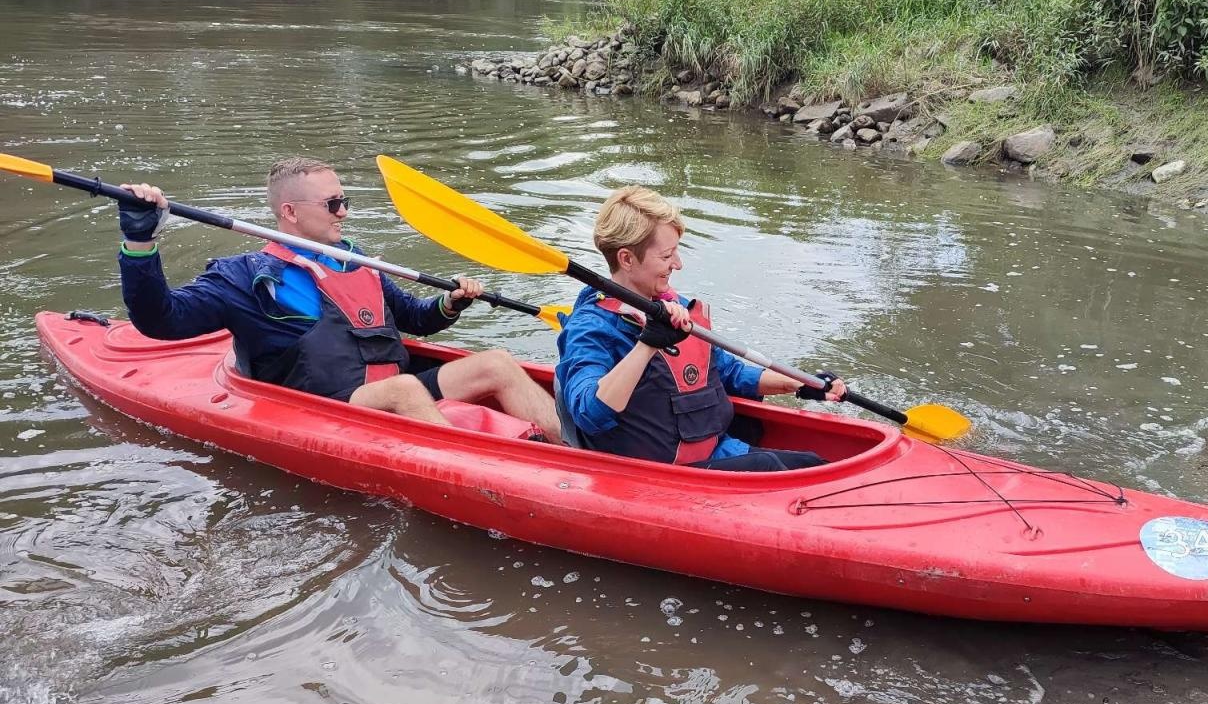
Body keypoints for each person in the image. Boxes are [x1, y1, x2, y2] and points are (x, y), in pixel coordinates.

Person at [115, 156, 563, 439]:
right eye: (332, 204)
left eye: (343, 200)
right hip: (332, 410)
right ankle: (485, 471)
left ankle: (576, 454)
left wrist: (451, 303)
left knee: (498, 361)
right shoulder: (246, 277)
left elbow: (414, 319)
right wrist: (140, 244)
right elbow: (161, 321)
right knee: (404, 388)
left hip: (396, 389)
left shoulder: (355, 260)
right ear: (289, 213)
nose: (344, 212)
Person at [555, 186, 847, 472]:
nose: (678, 264)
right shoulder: (590, 328)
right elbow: (588, 412)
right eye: (667, 256)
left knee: (811, 463)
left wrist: (802, 384)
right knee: (773, 466)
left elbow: (729, 373)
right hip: (666, 474)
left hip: (716, 451)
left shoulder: (674, 307)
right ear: (627, 259)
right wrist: (647, 345)